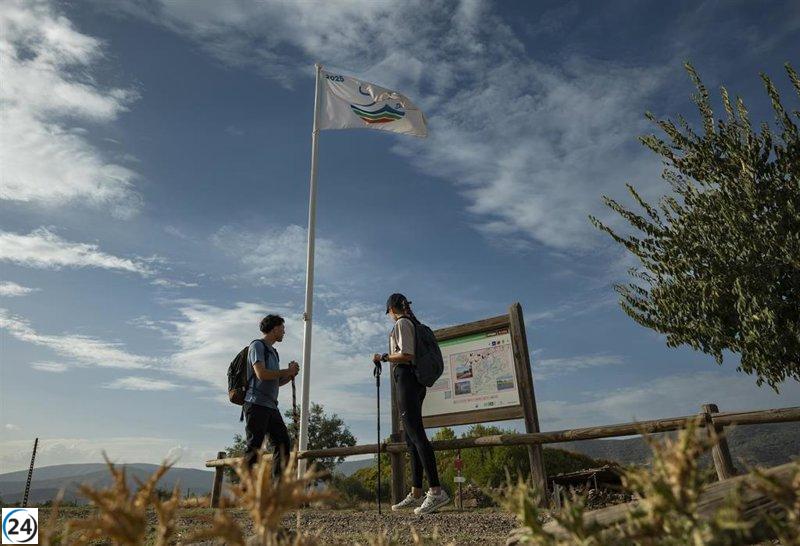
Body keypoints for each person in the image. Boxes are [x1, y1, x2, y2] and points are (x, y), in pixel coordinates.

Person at [374, 293, 450, 515]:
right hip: (415, 381)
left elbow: (406, 354)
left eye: (388, 312)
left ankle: (436, 491)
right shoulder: (413, 324)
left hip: (407, 379)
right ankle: (417, 492)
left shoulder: (402, 323)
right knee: (410, 438)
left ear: (391, 310)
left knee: (417, 435)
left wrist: (384, 357)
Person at [243, 314, 300, 480]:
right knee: (254, 447)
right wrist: (286, 371)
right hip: (255, 403)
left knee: (282, 444)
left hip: (270, 406)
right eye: (282, 329)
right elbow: (261, 374)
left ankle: (278, 491)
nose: (284, 332)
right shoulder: (257, 346)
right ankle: (247, 492)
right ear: (275, 329)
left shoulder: (273, 352)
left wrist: (290, 375)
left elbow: (275, 381)